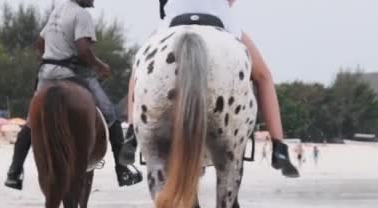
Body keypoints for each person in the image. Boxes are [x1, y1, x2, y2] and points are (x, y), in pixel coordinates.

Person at [120, 0, 299, 178]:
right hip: (217, 15)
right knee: (263, 77)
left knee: (138, 70)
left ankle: (132, 134)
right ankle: (278, 148)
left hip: (174, 15)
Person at [3, 0, 142, 190]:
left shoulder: (57, 10)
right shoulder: (81, 14)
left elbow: (40, 43)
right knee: (110, 114)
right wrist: (101, 67)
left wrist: (50, 58)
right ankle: (123, 171)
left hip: (46, 74)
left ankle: (14, 171)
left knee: (31, 122)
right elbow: (84, 50)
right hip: (72, 73)